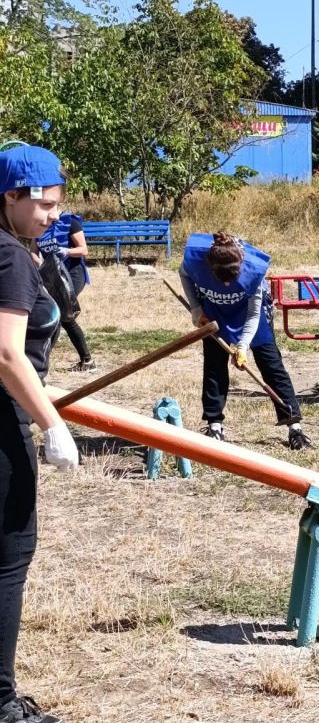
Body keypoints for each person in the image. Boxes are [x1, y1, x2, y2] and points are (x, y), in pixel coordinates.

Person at [0, 145, 79, 723]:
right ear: (10, 196)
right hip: (2, 424)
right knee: (9, 555)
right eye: (44, 204)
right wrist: (52, 425)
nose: (54, 215)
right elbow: (6, 354)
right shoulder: (9, 258)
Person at [179, 231, 312, 450]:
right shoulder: (196, 259)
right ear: (210, 268)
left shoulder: (254, 270)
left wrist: (242, 346)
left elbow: (253, 315)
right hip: (214, 311)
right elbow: (183, 274)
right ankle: (215, 427)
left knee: (271, 366)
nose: (227, 284)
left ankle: (295, 427)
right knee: (214, 366)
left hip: (253, 314)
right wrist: (196, 309)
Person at [31, 211, 96, 372]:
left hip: (73, 273)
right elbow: (32, 250)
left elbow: (83, 250)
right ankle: (87, 360)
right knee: (61, 316)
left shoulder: (70, 222)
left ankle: (38, 362)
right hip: (53, 276)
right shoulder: (39, 224)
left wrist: (66, 251)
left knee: (60, 313)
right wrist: (43, 264)